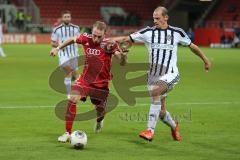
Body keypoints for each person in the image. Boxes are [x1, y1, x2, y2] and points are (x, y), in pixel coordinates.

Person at [112, 6, 211, 141]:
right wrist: (108, 40)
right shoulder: (148, 32)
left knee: (156, 92)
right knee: (161, 112)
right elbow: (127, 38)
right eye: (154, 18)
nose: (155, 21)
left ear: (166, 17)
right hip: (153, 76)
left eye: (158, 18)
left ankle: (150, 131)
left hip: (171, 73)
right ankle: (174, 125)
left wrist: (205, 60)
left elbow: (192, 46)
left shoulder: (177, 32)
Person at [50, 21, 127, 142]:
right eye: (94, 35)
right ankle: (67, 133)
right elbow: (72, 39)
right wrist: (58, 48)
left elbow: (122, 62)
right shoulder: (86, 38)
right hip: (85, 80)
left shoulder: (110, 44)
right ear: (92, 32)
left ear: (104, 34)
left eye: (99, 36)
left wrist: (123, 57)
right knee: (72, 98)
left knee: (100, 111)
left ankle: (99, 121)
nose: (96, 38)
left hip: (101, 84)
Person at [51, 11, 80, 98]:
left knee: (74, 75)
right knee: (69, 70)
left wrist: (80, 44)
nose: (67, 18)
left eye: (68, 17)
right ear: (62, 18)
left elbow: (79, 39)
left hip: (74, 53)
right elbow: (52, 43)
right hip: (63, 54)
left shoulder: (76, 28)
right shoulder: (57, 29)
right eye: (65, 17)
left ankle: (76, 85)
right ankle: (69, 93)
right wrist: (59, 46)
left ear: (70, 18)